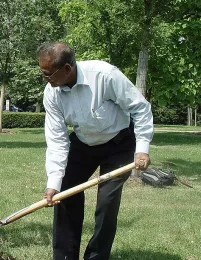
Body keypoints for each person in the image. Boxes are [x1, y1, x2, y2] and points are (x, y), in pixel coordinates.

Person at [38, 42, 153, 260]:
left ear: (67, 70)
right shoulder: (52, 93)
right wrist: (53, 183)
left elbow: (140, 107)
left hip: (118, 143)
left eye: (48, 74)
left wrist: (142, 148)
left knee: (107, 204)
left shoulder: (105, 75)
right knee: (64, 194)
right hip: (83, 144)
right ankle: (64, 256)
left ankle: (96, 257)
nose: (45, 79)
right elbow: (57, 139)